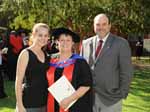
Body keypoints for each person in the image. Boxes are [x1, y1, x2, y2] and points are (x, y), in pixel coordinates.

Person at [80, 13, 133, 112]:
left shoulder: (121, 43)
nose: (101, 27)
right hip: (89, 98)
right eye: (98, 24)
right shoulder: (85, 44)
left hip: (111, 100)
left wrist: (121, 93)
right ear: (94, 26)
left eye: (104, 24)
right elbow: (82, 70)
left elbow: (127, 72)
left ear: (109, 26)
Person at [47, 27, 93, 112]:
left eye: (68, 40)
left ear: (72, 43)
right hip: (52, 104)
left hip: (73, 105)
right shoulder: (50, 60)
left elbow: (86, 85)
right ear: (57, 42)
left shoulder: (79, 62)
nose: (65, 43)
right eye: (62, 40)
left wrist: (69, 99)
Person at [15, 23, 50, 112]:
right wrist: (19, 105)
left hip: (44, 103)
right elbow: (18, 81)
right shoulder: (25, 53)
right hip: (29, 104)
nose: (43, 38)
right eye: (40, 35)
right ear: (33, 35)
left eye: (46, 35)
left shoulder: (45, 54)